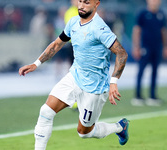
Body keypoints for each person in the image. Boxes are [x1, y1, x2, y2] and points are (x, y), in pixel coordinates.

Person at [19, 0, 129, 149]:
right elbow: (57, 44)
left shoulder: (100, 28)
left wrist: (114, 81)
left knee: (84, 133)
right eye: (80, 1)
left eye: (86, 2)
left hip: (94, 87)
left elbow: (121, 53)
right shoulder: (73, 22)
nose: (81, 6)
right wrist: (36, 63)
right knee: (45, 112)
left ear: (96, 4)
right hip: (74, 76)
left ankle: (119, 127)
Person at [132, 0, 167, 106]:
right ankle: (137, 96)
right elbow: (137, 30)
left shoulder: (161, 14)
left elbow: (163, 31)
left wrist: (165, 46)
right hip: (145, 47)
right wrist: (136, 47)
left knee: (155, 71)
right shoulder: (142, 14)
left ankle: (152, 96)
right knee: (141, 71)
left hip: (157, 47)